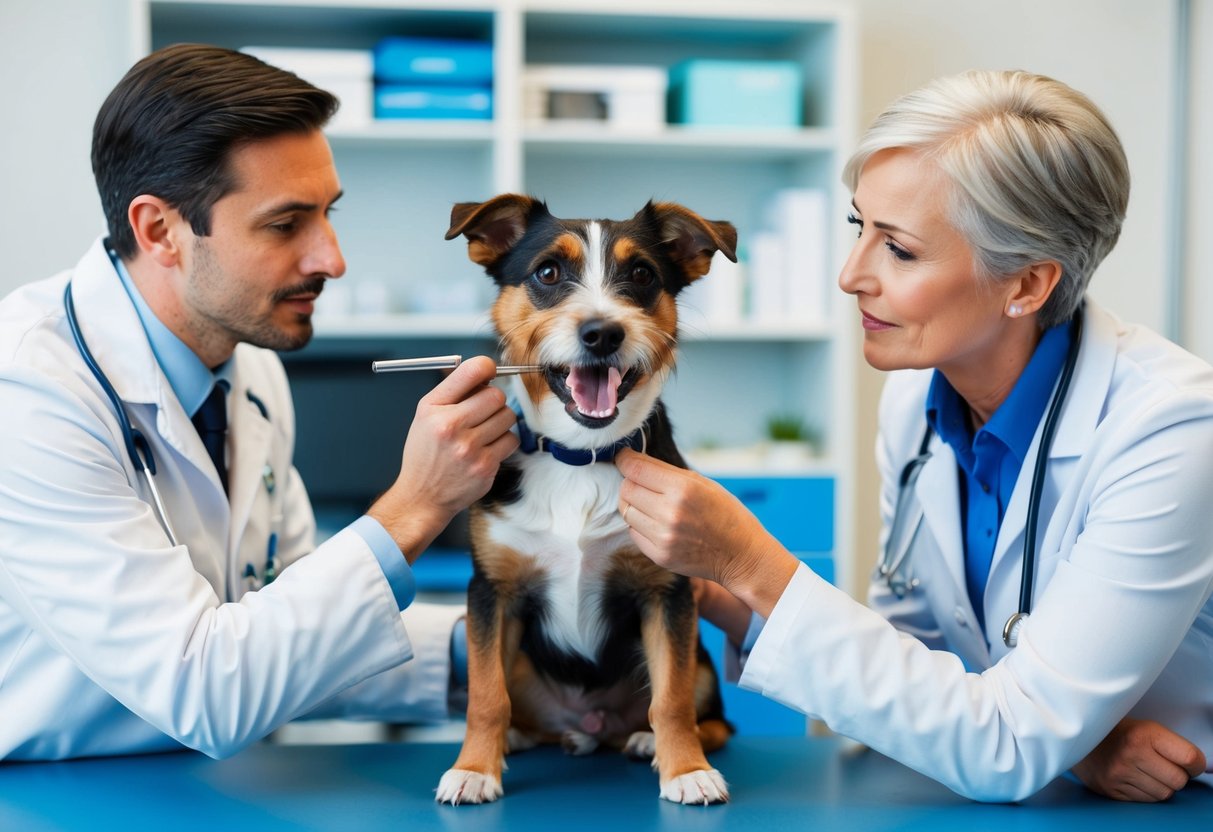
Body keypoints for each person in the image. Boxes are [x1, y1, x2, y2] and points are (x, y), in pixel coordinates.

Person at [615, 69, 1213, 803]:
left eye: (897, 250)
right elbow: (911, 672)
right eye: (855, 228)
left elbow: (1004, 745)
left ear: (1025, 285)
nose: (848, 275)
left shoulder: (1170, 432)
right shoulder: (915, 402)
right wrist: (718, 585)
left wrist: (751, 560)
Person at [0, 43, 518, 760]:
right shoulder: (30, 396)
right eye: (285, 224)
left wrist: (499, 658)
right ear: (160, 231)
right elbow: (204, 686)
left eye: (328, 214)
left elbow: (291, 635)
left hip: (198, 788)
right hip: (51, 797)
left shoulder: (248, 368)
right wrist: (417, 505)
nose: (331, 259)